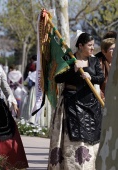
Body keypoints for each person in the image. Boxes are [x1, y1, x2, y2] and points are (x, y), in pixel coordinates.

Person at [48, 31, 104, 169]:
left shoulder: (95, 60)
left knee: (91, 138)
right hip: (71, 103)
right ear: (80, 46)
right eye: (89, 45)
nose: (92, 48)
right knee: (74, 138)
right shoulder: (68, 57)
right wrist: (73, 69)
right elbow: (57, 78)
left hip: (91, 104)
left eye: (93, 45)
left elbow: (100, 78)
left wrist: (90, 76)